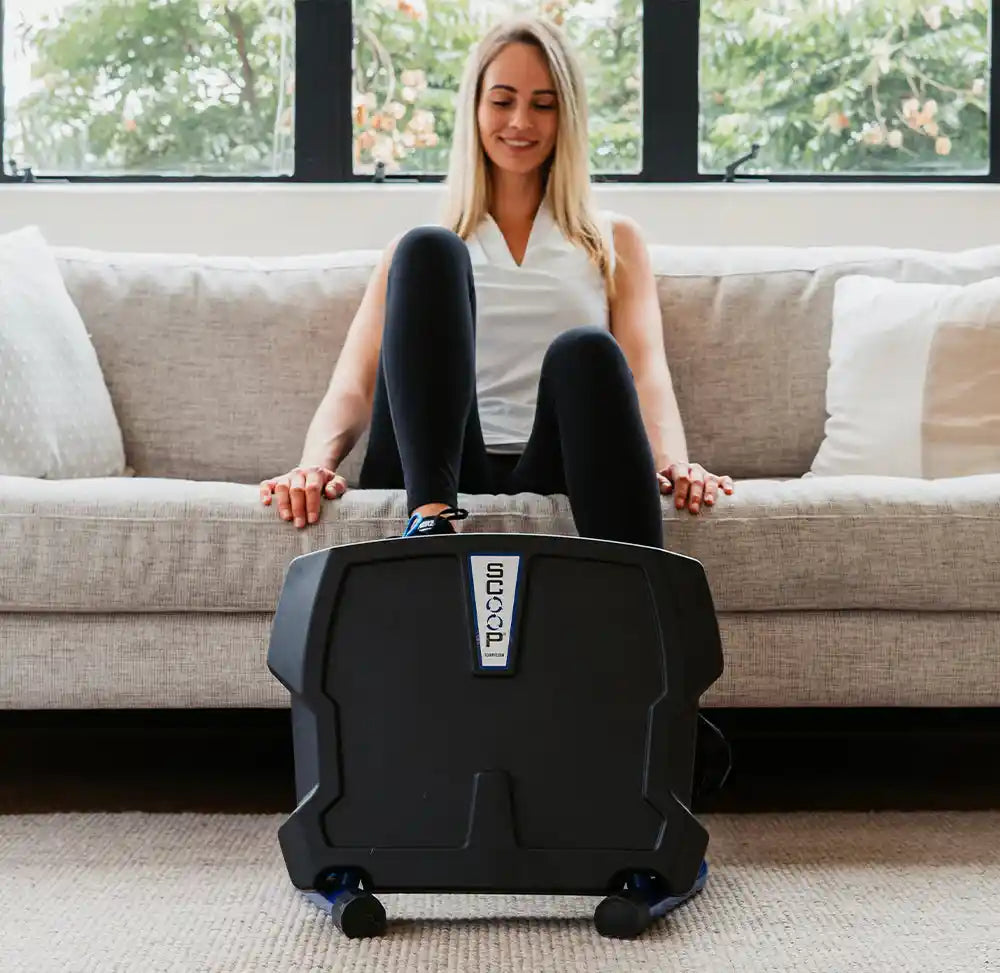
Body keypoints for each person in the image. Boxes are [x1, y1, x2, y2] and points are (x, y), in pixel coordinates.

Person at [260, 14, 735, 543]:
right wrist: (312, 463)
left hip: (552, 463)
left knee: (587, 350)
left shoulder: (613, 241)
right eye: (503, 101)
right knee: (428, 247)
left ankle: (643, 594)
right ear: (477, 108)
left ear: (566, 116)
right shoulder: (415, 254)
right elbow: (354, 385)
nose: (520, 122)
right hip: (438, 467)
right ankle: (431, 524)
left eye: (543, 104)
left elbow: (646, 375)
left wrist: (676, 463)